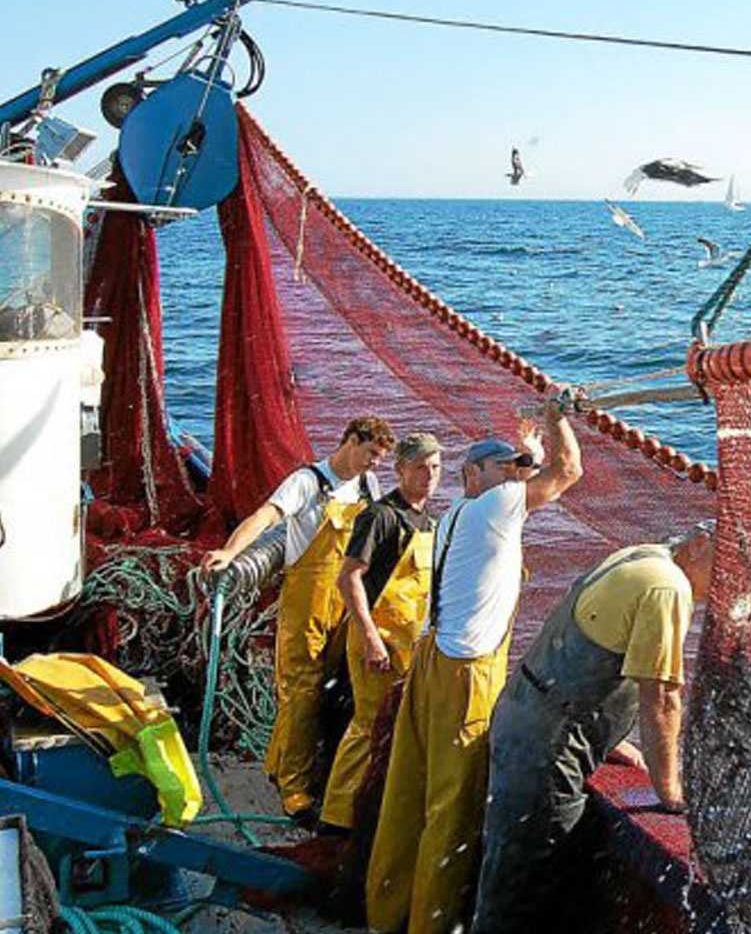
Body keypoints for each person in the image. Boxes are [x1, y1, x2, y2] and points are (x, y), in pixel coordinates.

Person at [365, 391, 582, 934]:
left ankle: (383, 912)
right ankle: (430, 926)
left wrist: (524, 449)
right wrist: (555, 422)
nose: (515, 476)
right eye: (504, 468)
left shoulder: (457, 514)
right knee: (452, 804)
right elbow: (569, 471)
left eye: (515, 469)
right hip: (466, 671)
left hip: (430, 662)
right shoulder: (496, 505)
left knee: (406, 791)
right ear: (473, 474)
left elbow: (533, 475)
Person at [469, 520, 716, 934]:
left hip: (524, 714)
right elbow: (662, 698)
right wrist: (669, 788)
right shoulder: (667, 587)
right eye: (722, 565)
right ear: (699, 544)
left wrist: (607, 736)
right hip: (548, 744)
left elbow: (586, 643)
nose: (723, 582)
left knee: (505, 864)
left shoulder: (639, 556)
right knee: (530, 877)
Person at [200, 415, 395, 826]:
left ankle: (278, 763)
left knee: (329, 686)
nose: (374, 465)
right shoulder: (306, 483)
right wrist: (231, 554)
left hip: (343, 602)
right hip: (305, 604)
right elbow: (264, 518)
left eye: (380, 459)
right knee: (301, 693)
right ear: (350, 440)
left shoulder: (367, 487)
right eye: (371, 454)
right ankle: (294, 790)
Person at [319, 431, 443, 834]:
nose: (429, 476)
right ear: (401, 470)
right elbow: (348, 578)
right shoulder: (381, 516)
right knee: (368, 725)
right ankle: (335, 820)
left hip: (410, 641)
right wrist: (371, 638)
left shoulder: (430, 520)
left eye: (436, 468)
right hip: (376, 639)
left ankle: (376, 811)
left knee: (399, 730)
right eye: (420, 468)